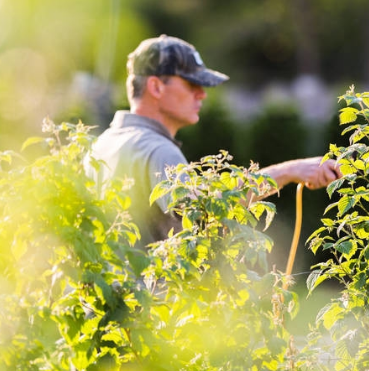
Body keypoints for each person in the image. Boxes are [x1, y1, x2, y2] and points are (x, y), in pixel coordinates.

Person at [87, 35, 341, 246]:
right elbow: (206, 213)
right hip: (145, 305)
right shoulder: (158, 150)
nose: (202, 94)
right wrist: (290, 171)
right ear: (155, 87)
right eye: (191, 84)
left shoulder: (101, 145)